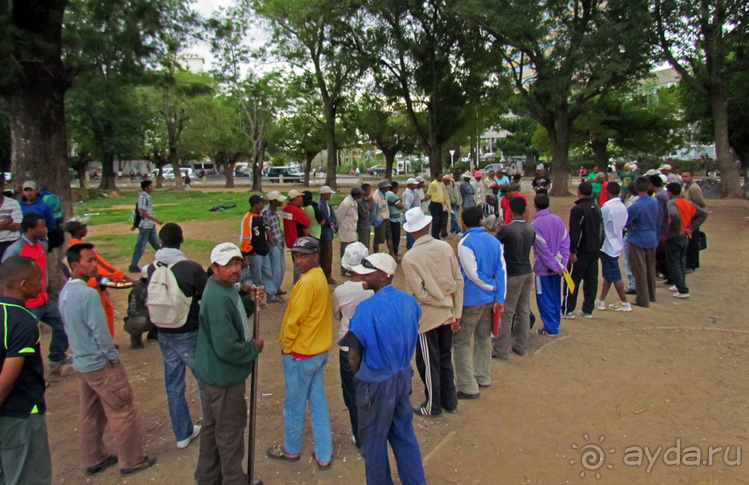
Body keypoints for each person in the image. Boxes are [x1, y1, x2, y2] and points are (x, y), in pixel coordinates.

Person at [59, 243, 156, 477]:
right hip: (100, 363)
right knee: (123, 410)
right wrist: (113, 359)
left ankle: (94, 458)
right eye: (89, 261)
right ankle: (132, 460)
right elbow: (100, 333)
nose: (95, 265)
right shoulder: (88, 294)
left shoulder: (66, 293)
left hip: (82, 362)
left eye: (95, 260)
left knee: (90, 413)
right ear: (75, 265)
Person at [340, 253, 426, 485]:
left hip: (375, 382)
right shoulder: (409, 302)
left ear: (383, 275)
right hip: (402, 377)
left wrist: (361, 377)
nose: (363, 277)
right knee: (404, 435)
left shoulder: (366, 309)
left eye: (369, 272)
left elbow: (354, 355)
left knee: (373, 445)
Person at [194, 242, 264, 484]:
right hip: (223, 379)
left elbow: (235, 318)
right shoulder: (217, 297)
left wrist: (248, 302)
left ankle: (208, 477)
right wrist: (253, 348)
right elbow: (227, 347)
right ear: (214, 267)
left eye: (237, 263)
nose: (235, 269)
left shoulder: (225, 289)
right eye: (228, 265)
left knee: (213, 430)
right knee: (230, 433)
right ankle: (234, 480)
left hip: (215, 376)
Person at [267, 237, 333, 470]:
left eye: (304, 256)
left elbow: (294, 320)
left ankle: (291, 449)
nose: (298, 260)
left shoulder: (306, 283)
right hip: (319, 351)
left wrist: (286, 345)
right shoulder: (320, 277)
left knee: (294, 405)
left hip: (301, 353)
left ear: (315, 256)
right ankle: (324, 452)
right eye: (296, 256)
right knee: (317, 402)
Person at [147, 223, 208, 449]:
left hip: (164, 332)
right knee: (204, 379)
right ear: (181, 240)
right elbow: (206, 294)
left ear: (160, 242)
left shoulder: (151, 269)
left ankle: (182, 433)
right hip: (189, 330)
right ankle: (211, 424)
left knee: (173, 385)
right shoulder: (190, 268)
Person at [401, 208, 463, 417]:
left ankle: (433, 405)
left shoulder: (410, 258)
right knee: (445, 357)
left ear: (410, 232)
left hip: (427, 317)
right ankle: (450, 401)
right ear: (427, 226)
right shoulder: (445, 248)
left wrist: (442, 300)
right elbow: (458, 280)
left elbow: (419, 293)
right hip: (447, 313)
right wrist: (455, 309)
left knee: (428, 362)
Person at [0, 256, 52, 484]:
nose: (42, 284)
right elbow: (5, 382)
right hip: (20, 415)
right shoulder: (23, 322)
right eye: (38, 279)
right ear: (23, 285)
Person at [3, 214, 70, 377]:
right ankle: (32, 375)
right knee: (29, 340)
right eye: (41, 226)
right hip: (28, 304)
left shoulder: (42, 244)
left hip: (43, 299)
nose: (45, 229)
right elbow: (5, 275)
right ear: (30, 230)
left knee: (63, 322)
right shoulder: (15, 250)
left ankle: (56, 358)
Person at [454, 207, 505, 398]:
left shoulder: (465, 243)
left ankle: (467, 386)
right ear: (481, 222)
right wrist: (498, 294)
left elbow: (472, 273)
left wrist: (491, 287)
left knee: (461, 341)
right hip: (490, 300)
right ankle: (483, 376)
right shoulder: (494, 240)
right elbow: (501, 270)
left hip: (472, 298)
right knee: (484, 338)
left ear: (463, 223)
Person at [332, 243, 373, 448]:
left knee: (351, 391)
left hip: (347, 345)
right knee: (371, 387)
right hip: (370, 344)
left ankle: (360, 434)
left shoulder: (341, 291)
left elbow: (337, 314)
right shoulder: (372, 288)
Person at [65, 217, 134, 337]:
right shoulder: (84, 249)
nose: (86, 228)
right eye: (84, 226)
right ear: (78, 230)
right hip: (92, 286)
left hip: (92, 285)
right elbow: (103, 267)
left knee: (103, 312)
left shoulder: (74, 247)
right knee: (100, 316)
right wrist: (124, 278)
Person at [492, 197, 535, 358]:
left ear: (510, 210)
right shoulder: (530, 229)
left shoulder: (507, 229)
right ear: (524, 210)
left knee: (508, 311)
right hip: (526, 271)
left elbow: (495, 244)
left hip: (513, 273)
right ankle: (522, 345)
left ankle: (501, 349)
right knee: (523, 310)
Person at [562, 181, 603, 319]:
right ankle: (588, 309)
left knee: (572, 280)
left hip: (581, 252)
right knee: (591, 280)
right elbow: (601, 230)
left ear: (579, 192)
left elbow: (576, 232)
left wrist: (572, 251)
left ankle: (568, 309)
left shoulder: (578, 210)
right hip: (594, 250)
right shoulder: (596, 208)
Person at [531, 194, 570, 336]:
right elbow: (565, 242)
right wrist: (561, 263)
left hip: (543, 268)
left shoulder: (535, 225)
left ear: (535, 205)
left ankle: (550, 326)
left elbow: (542, 249)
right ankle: (554, 323)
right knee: (555, 295)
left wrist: (555, 264)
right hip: (558, 267)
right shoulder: (558, 220)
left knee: (544, 297)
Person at [665, 183, 708, 299]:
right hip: (685, 236)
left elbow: (674, 214)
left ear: (670, 192)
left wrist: (677, 229)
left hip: (675, 236)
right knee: (681, 262)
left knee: (673, 262)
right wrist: (691, 228)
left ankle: (683, 290)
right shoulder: (687, 203)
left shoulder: (671, 203)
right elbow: (703, 214)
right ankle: (679, 284)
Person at [594, 183, 632, 312]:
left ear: (608, 192)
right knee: (608, 274)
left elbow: (601, 224)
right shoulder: (622, 206)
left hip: (607, 245)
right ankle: (601, 300)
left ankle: (624, 302)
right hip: (617, 242)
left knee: (614, 275)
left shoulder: (607, 207)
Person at [626, 177, 661, 307]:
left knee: (639, 269)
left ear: (636, 188)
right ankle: (651, 294)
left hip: (638, 238)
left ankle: (642, 298)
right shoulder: (654, 202)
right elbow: (658, 219)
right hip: (652, 236)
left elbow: (627, 222)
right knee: (651, 268)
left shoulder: (636, 206)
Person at [241, 195, 279, 301]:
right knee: (256, 276)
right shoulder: (248, 219)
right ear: (255, 204)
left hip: (264, 251)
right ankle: (257, 298)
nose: (263, 205)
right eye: (261, 203)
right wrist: (249, 253)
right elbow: (245, 237)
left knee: (267, 273)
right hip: (255, 253)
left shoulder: (260, 216)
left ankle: (270, 294)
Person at [129, 180, 163, 273]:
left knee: (157, 244)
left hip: (150, 225)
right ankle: (133, 266)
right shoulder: (143, 197)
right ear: (146, 188)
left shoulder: (147, 197)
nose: (152, 188)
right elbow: (143, 213)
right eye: (151, 186)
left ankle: (165, 259)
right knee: (140, 246)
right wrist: (157, 220)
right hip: (145, 226)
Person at [262, 190, 288, 296]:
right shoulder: (266, 212)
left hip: (279, 242)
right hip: (274, 244)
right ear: (273, 202)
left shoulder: (275, 211)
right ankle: (271, 291)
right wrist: (273, 245)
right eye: (279, 200)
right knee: (274, 269)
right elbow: (267, 230)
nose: (281, 202)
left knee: (281, 268)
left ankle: (277, 287)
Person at [282, 189, 311, 283]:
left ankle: (297, 281)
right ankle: (298, 282)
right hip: (298, 239)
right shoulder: (296, 210)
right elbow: (307, 223)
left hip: (290, 240)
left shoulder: (285, 208)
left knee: (295, 260)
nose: (302, 199)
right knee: (300, 263)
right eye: (300, 197)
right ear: (296, 198)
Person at [19, 181, 57, 248]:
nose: (28, 193)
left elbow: (51, 225)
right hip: (22, 240)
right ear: (22, 192)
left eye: (31, 190)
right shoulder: (18, 205)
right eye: (26, 190)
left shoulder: (44, 206)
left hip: (40, 241)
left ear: (36, 191)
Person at [123, 268, 155, 349]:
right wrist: (151, 315)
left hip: (152, 318)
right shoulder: (137, 290)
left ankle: (154, 334)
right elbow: (133, 311)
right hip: (139, 319)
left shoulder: (156, 287)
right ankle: (136, 339)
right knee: (140, 321)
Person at [681, 170, 705, 273]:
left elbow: (700, 202)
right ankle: (693, 262)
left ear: (691, 177)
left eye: (686, 176)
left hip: (693, 215)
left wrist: (693, 211)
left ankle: (691, 264)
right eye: (683, 176)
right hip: (687, 215)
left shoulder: (693, 188)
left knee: (692, 240)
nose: (684, 178)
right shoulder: (685, 187)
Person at [336, 187, 363, 276]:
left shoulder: (354, 202)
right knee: (345, 248)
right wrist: (336, 226)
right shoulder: (346, 203)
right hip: (346, 228)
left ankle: (350, 267)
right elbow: (339, 215)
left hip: (352, 228)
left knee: (352, 248)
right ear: (357, 195)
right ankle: (343, 269)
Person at [318, 186, 338, 284]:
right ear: (324, 194)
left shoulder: (327, 205)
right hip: (324, 233)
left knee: (327, 255)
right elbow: (324, 218)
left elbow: (333, 216)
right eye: (329, 193)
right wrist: (330, 221)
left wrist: (332, 220)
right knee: (326, 256)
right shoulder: (320, 205)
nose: (330, 195)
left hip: (327, 231)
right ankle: (326, 275)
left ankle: (326, 274)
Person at [372, 180, 395, 257]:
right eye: (387, 187)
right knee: (378, 239)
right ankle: (375, 255)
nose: (388, 189)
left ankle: (392, 254)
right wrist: (373, 221)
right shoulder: (376, 197)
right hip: (379, 220)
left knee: (389, 237)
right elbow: (373, 211)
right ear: (383, 188)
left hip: (386, 218)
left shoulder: (384, 194)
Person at [0, 190, 22, 259]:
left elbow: (18, 225)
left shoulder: (13, 203)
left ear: (1, 187)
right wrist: (7, 221)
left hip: (11, 242)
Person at [426, 172, 447, 240]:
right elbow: (429, 194)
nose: (441, 178)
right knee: (436, 220)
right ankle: (435, 235)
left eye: (441, 177)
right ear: (436, 177)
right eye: (439, 177)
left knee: (441, 220)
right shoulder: (433, 184)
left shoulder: (441, 184)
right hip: (434, 204)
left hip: (440, 204)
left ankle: (438, 234)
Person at [387, 181, 404, 259]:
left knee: (391, 236)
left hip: (389, 217)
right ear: (394, 188)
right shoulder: (393, 196)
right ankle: (394, 252)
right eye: (397, 188)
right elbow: (400, 206)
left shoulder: (386, 194)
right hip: (394, 219)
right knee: (396, 236)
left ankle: (393, 252)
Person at [356, 184, 374, 249]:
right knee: (364, 245)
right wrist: (370, 204)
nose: (369, 193)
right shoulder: (359, 200)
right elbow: (364, 214)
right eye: (368, 191)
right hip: (362, 225)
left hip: (367, 225)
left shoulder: (365, 200)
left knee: (367, 244)